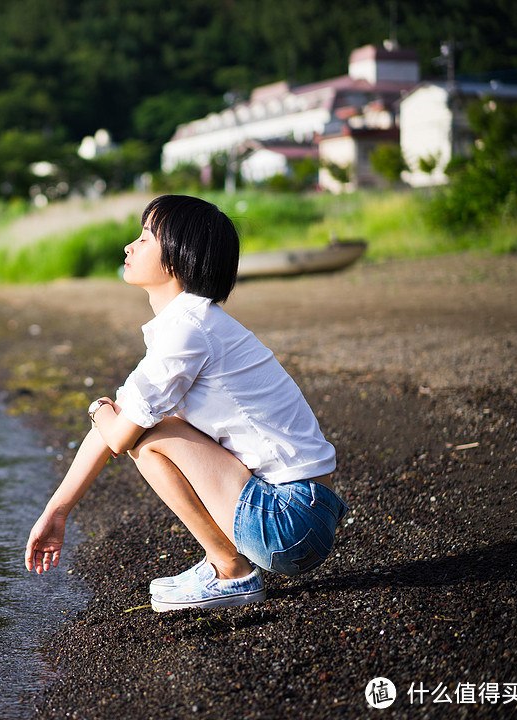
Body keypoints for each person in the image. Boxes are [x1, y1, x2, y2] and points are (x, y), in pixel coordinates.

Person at [24, 194, 348, 612]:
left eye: (145, 237)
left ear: (177, 258)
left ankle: (230, 570)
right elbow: (116, 426)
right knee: (145, 423)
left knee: (148, 434)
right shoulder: (188, 326)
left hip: (290, 521)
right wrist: (57, 512)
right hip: (299, 514)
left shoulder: (188, 331)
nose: (130, 246)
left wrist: (96, 408)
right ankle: (225, 563)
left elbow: (120, 436)